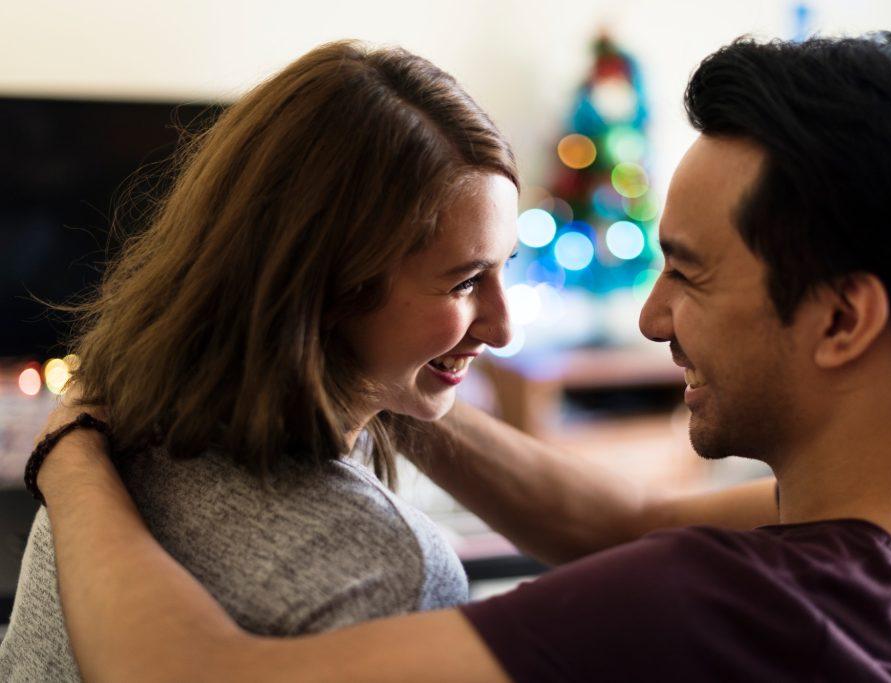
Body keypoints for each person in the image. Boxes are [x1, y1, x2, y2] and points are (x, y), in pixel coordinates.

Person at [27, 30, 891, 681]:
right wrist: (390, 367)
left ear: (843, 320)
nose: (649, 316)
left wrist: (67, 456)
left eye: (688, 273)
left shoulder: (720, 609)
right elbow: (609, 518)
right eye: (465, 281)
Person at [0, 39, 525, 680]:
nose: (503, 329)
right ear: (329, 285)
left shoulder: (107, 438)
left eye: (505, 269)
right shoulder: (390, 567)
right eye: (466, 281)